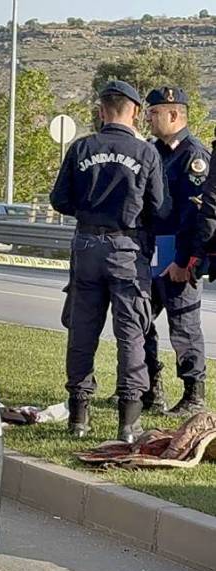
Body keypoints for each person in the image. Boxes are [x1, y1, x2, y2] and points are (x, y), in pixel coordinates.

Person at [51, 80, 169, 443]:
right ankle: (128, 422)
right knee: (131, 333)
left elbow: (59, 200)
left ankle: (79, 416)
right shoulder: (146, 153)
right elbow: (160, 209)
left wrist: (89, 210)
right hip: (127, 250)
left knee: (82, 331)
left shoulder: (82, 147)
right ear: (135, 111)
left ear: (102, 111)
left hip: (87, 246)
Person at [141, 87, 210, 416]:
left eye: (154, 113)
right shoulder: (152, 151)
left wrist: (185, 261)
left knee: (184, 325)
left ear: (173, 114)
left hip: (178, 253)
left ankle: (194, 393)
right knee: (139, 319)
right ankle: (150, 389)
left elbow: (197, 216)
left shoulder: (193, 156)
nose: (149, 118)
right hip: (151, 249)